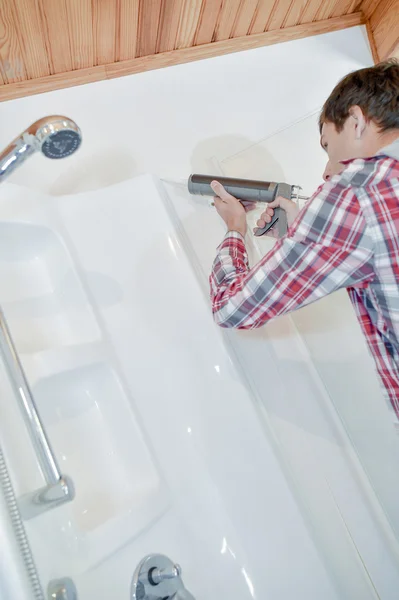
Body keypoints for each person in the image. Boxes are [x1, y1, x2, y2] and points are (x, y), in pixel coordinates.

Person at [209, 60, 399, 419]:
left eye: (329, 149)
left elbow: (231, 308)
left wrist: (235, 228)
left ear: (357, 123)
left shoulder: (357, 190)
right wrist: (302, 232)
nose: (328, 170)